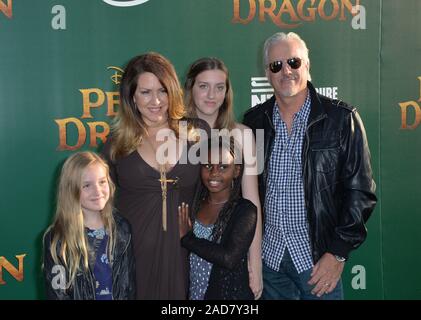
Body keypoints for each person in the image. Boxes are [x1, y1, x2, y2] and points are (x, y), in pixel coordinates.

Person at [243, 32, 377, 300]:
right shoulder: (254, 121)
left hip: (317, 264)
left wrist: (338, 252)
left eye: (293, 62)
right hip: (270, 265)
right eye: (276, 65)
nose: (286, 71)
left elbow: (361, 193)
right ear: (267, 74)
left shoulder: (342, 119)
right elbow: (247, 193)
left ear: (307, 65)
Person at [102, 52, 209, 299]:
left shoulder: (196, 133)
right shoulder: (116, 145)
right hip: (134, 256)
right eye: (145, 92)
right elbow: (102, 207)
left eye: (162, 90)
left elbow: (220, 188)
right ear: (131, 97)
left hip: (188, 253)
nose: (156, 101)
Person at [184, 57, 263, 299]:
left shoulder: (243, 134)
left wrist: (255, 264)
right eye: (203, 86)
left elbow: (252, 200)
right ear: (190, 88)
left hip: (226, 254)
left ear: (227, 92)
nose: (212, 95)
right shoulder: (175, 134)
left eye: (220, 87)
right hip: (182, 246)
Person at [43, 151, 136, 300]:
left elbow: (129, 287)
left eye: (102, 182)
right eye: (86, 185)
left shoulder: (122, 228)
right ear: (70, 190)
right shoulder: (58, 238)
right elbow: (57, 295)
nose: (97, 191)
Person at [178, 136, 257, 300]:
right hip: (195, 294)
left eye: (223, 167)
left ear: (236, 170)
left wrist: (187, 239)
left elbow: (229, 258)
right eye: (208, 166)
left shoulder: (245, 211)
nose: (214, 173)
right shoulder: (195, 204)